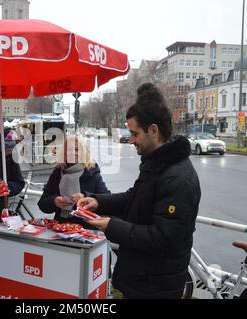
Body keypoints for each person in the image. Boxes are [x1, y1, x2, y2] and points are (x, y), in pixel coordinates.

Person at [78, 83, 201, 299]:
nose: (131, 140)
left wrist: (111, 226)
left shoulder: (178, 178)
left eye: (134, 134)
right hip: (140, 280)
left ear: (153, 131)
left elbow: (161, 238)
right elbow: (134, 197)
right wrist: (98, 202)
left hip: (154, 288)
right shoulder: (157, 164)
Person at [38, 136, 110, 227]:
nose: (72, 153)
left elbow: (106, 199)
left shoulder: (91, 171)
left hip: (87, 228)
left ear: (83, 152)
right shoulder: (57, 172)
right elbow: (42, 204)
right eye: (68, 149)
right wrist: (54, 201)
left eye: (76, 149)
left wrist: (85, 196)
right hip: (62, 227)